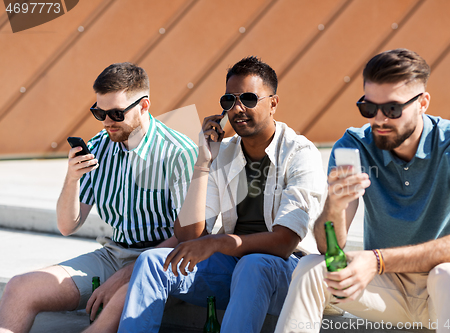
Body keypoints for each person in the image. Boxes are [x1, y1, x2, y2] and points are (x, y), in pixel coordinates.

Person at [274, 49, 450, 333]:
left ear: (423, 103)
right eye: (369, 108)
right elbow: (329, 249)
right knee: (311, 269)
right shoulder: (354, 146)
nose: (379, 119)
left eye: (392, 109)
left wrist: (378, 260)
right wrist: (334, 206)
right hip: (389, 288)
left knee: (448, 276)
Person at [106, 56, 326, 333]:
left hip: (287, 272)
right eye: (229, 101)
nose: (237, 109)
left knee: (253, 264)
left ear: (273, 103)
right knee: (152, 261)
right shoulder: (225, 153)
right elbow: (189, 235)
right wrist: (202, 163)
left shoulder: (299, 154)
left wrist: (219, 242)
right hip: (233, 268)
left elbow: (284, 242)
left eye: (248, 98)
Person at [0, 62, 197, 333]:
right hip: (112, 254)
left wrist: (127, 274)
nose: (106, 122)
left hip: (163, 262)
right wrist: (71, 178)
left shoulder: (179, 153)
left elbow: (191, 236)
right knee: (19, 288)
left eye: (116, 113)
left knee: (109, 315)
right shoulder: (99, 147)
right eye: (99, 112)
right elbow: (67, 226)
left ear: (144, 106)